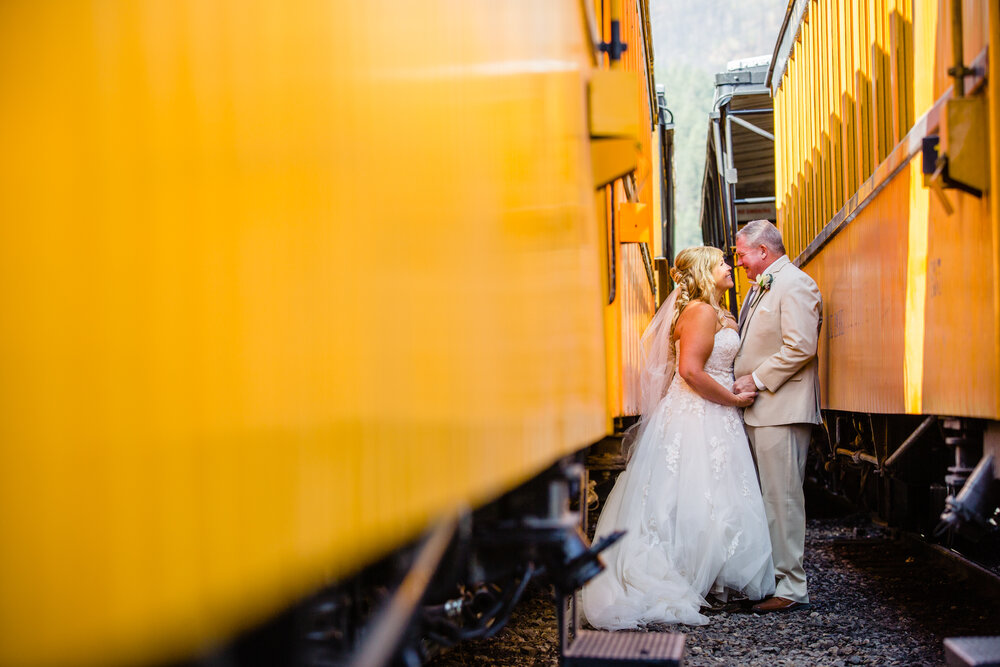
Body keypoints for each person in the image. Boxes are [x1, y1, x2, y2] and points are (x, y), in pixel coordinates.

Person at [582, 246, 775, 629]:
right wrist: (734, 398)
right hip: (701, 412)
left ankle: (709, 578)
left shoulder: (712, 312)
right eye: (721, 262)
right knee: (698, 493)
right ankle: (691, 578)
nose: (728, 267)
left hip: (710, 413)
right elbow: (690, 371)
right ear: (705, 271)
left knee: (706, 494)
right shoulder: (702, 312)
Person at [732, 219, 823, 614]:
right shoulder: (763, 285)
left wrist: (756, 377)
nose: (739, 263)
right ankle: (774, 579)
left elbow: (801, 345)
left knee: (783, 498)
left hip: (781, 409)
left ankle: (792, 588)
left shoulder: (795, 283)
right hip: (762, 409)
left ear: (763, 251)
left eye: (742, 255)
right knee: (768, 498)